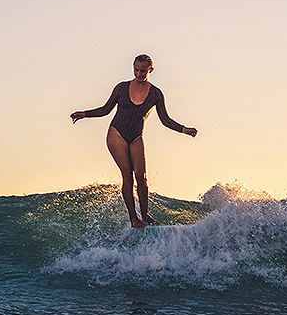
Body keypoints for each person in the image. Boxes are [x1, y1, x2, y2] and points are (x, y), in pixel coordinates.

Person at [71, 55, 198, 227]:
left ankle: (145, 215)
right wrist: (84, 114)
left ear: (150, 70)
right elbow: (105, 109)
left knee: (142, 177)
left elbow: (165, 120)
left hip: (137, 136)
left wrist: (184, 129)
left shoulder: (155, 94)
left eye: (143, 70)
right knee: (128, 176)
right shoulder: (122, 88)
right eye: (136, 69)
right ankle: (133, 218)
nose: (138, 73)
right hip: (117, 134)